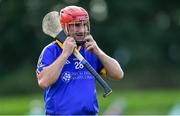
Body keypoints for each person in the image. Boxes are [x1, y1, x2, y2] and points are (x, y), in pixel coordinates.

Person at [36, 5, 124, 115]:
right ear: (64, 27)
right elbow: (44, 82)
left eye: (85, 25)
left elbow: (118, 74)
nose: (82, 30)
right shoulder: (51, 51)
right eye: (76, 25)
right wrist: (65, 54)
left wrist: (98, 52)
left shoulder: (90, 50)